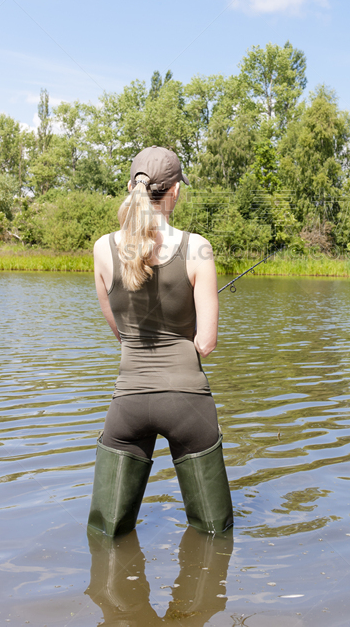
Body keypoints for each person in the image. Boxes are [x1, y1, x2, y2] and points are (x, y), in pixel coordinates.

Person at [87, 146, 233, 538]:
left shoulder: (103, 249)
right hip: (189, 403)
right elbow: (206, 342)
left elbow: (119, 332)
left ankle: (111, 593)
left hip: (128, 402)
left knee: (106, 533)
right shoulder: (197, 247)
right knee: (214, 533)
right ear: (174, 192)